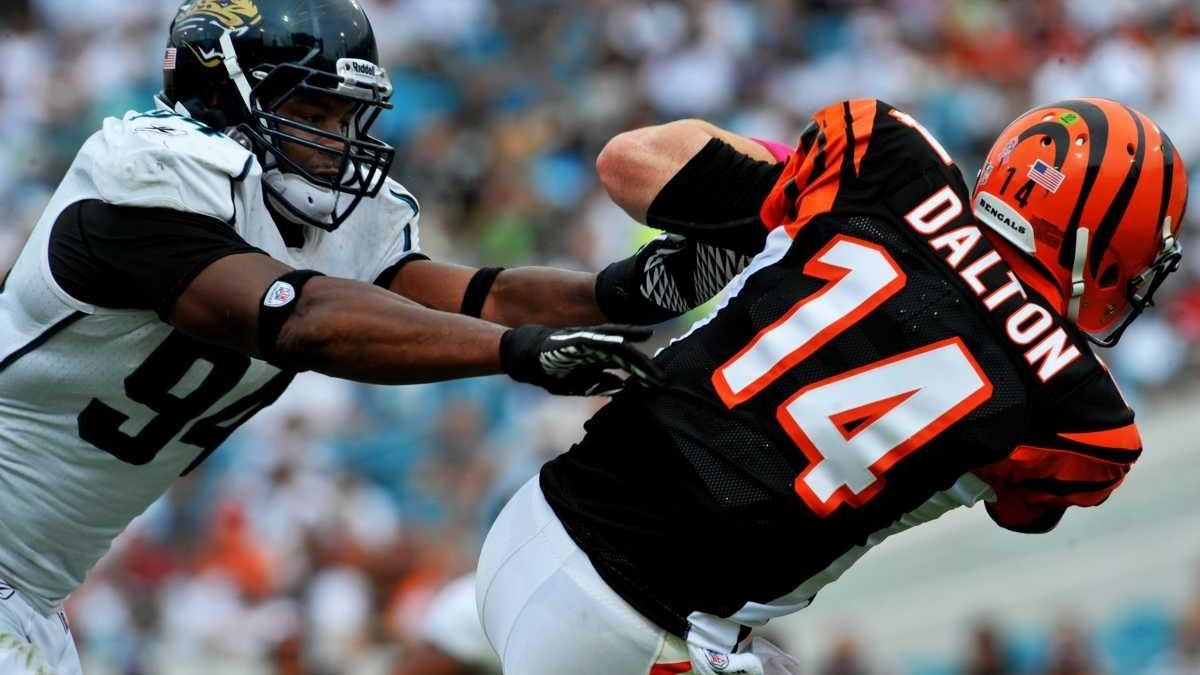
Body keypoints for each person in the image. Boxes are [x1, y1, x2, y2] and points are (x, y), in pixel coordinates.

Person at [0, 0, 756, 672]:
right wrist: (518, 353)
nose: (335, 142)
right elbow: (298, 319)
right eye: (314, 112)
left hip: (32, 588)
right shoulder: (148, 177)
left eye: (345, 118)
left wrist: (626, 291)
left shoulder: (309, 216)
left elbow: (478, 294)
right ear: (221, 96)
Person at [476, 97, 1187, 675]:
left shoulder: (888, 163)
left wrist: (790, 190)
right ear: (1103, 248)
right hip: (637, 628)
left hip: (532, 519)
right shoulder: (1076, 412)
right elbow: (1028, 508)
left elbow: (628, 162)